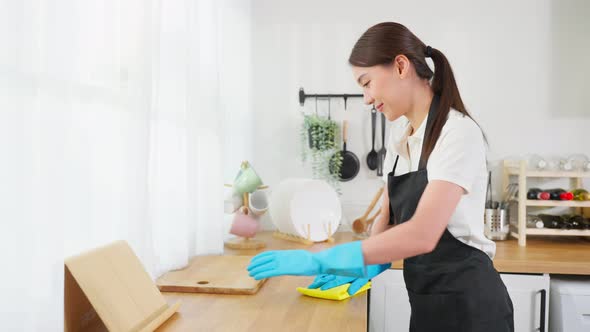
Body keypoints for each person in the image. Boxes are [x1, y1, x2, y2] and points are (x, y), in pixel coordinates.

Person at [247, 22, 514, 331]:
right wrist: (360, 264)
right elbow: (386, 223)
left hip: (472, 310)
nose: (366, 99)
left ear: (401, 66)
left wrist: (322, 257)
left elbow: (422, 234)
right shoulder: (399, 132)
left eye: (367, 82)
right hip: (427, 307)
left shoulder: (457, 133)